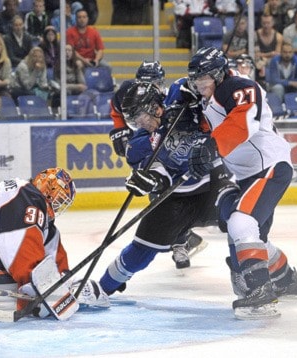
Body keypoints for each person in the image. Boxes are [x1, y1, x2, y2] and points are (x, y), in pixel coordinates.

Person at [187, 46, 297, 320]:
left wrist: (212, 146)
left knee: (241, 222)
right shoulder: (209, 99)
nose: (199, 84)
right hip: (245, 174)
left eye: (204, 78)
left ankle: (261, 291)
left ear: (218, 75)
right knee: (251, 235)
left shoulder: (238, 86)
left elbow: (245, 120)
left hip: (269, 166)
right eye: (196, 79)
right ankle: (287, 280)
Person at [95, 81, 237, 299]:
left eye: (140, 116)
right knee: (142, 249)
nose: (139, 124)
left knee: (240, 222)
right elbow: (159, 174)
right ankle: (103, 287)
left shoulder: (180, 101)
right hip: (177, 197)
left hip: (212, 182)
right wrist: (150, 182)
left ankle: (277, 275)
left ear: (154, 107)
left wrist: (196, 95)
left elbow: (204, 87)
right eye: (133, 120)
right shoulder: (140, 143)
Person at [0, 168, 108, 319]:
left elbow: (55, 259)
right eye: (58, 200)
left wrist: (68, 283)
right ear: (47, 191)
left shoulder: (28, 199)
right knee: (18, 279)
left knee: (28, 278)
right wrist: (40, 292)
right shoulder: (27, 197)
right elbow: (19, 256)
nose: (58, 206)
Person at [108, 61, 208, 269]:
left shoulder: (173, 98)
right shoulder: (129, 94)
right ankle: (181, 239)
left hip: (185, 154)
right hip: (150, 144)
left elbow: (196, 91)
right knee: (157, 187)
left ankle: (181, 238)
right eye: (147, 81)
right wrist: (119, 130)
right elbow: (117, 107)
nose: (152, 85)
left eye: (156, 81)